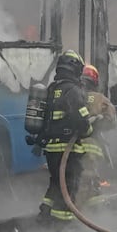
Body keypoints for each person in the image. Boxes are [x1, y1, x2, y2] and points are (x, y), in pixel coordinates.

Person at [38, 50, 92, 223]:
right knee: (68, 188)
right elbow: (82, 123)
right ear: (74, 68)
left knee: (55, 184)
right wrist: (91, 129)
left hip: (51, 149)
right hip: (66, 150)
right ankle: (62, 226)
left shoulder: (52, 89)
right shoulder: (73, 91)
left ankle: (44, 216)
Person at [79, 64, 116, 205]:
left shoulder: (73, 95)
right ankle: (93, 210)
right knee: (89, 178)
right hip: (91, 144)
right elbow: (112, 121)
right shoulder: (100, 99)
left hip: (70, 144)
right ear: (95, 82)